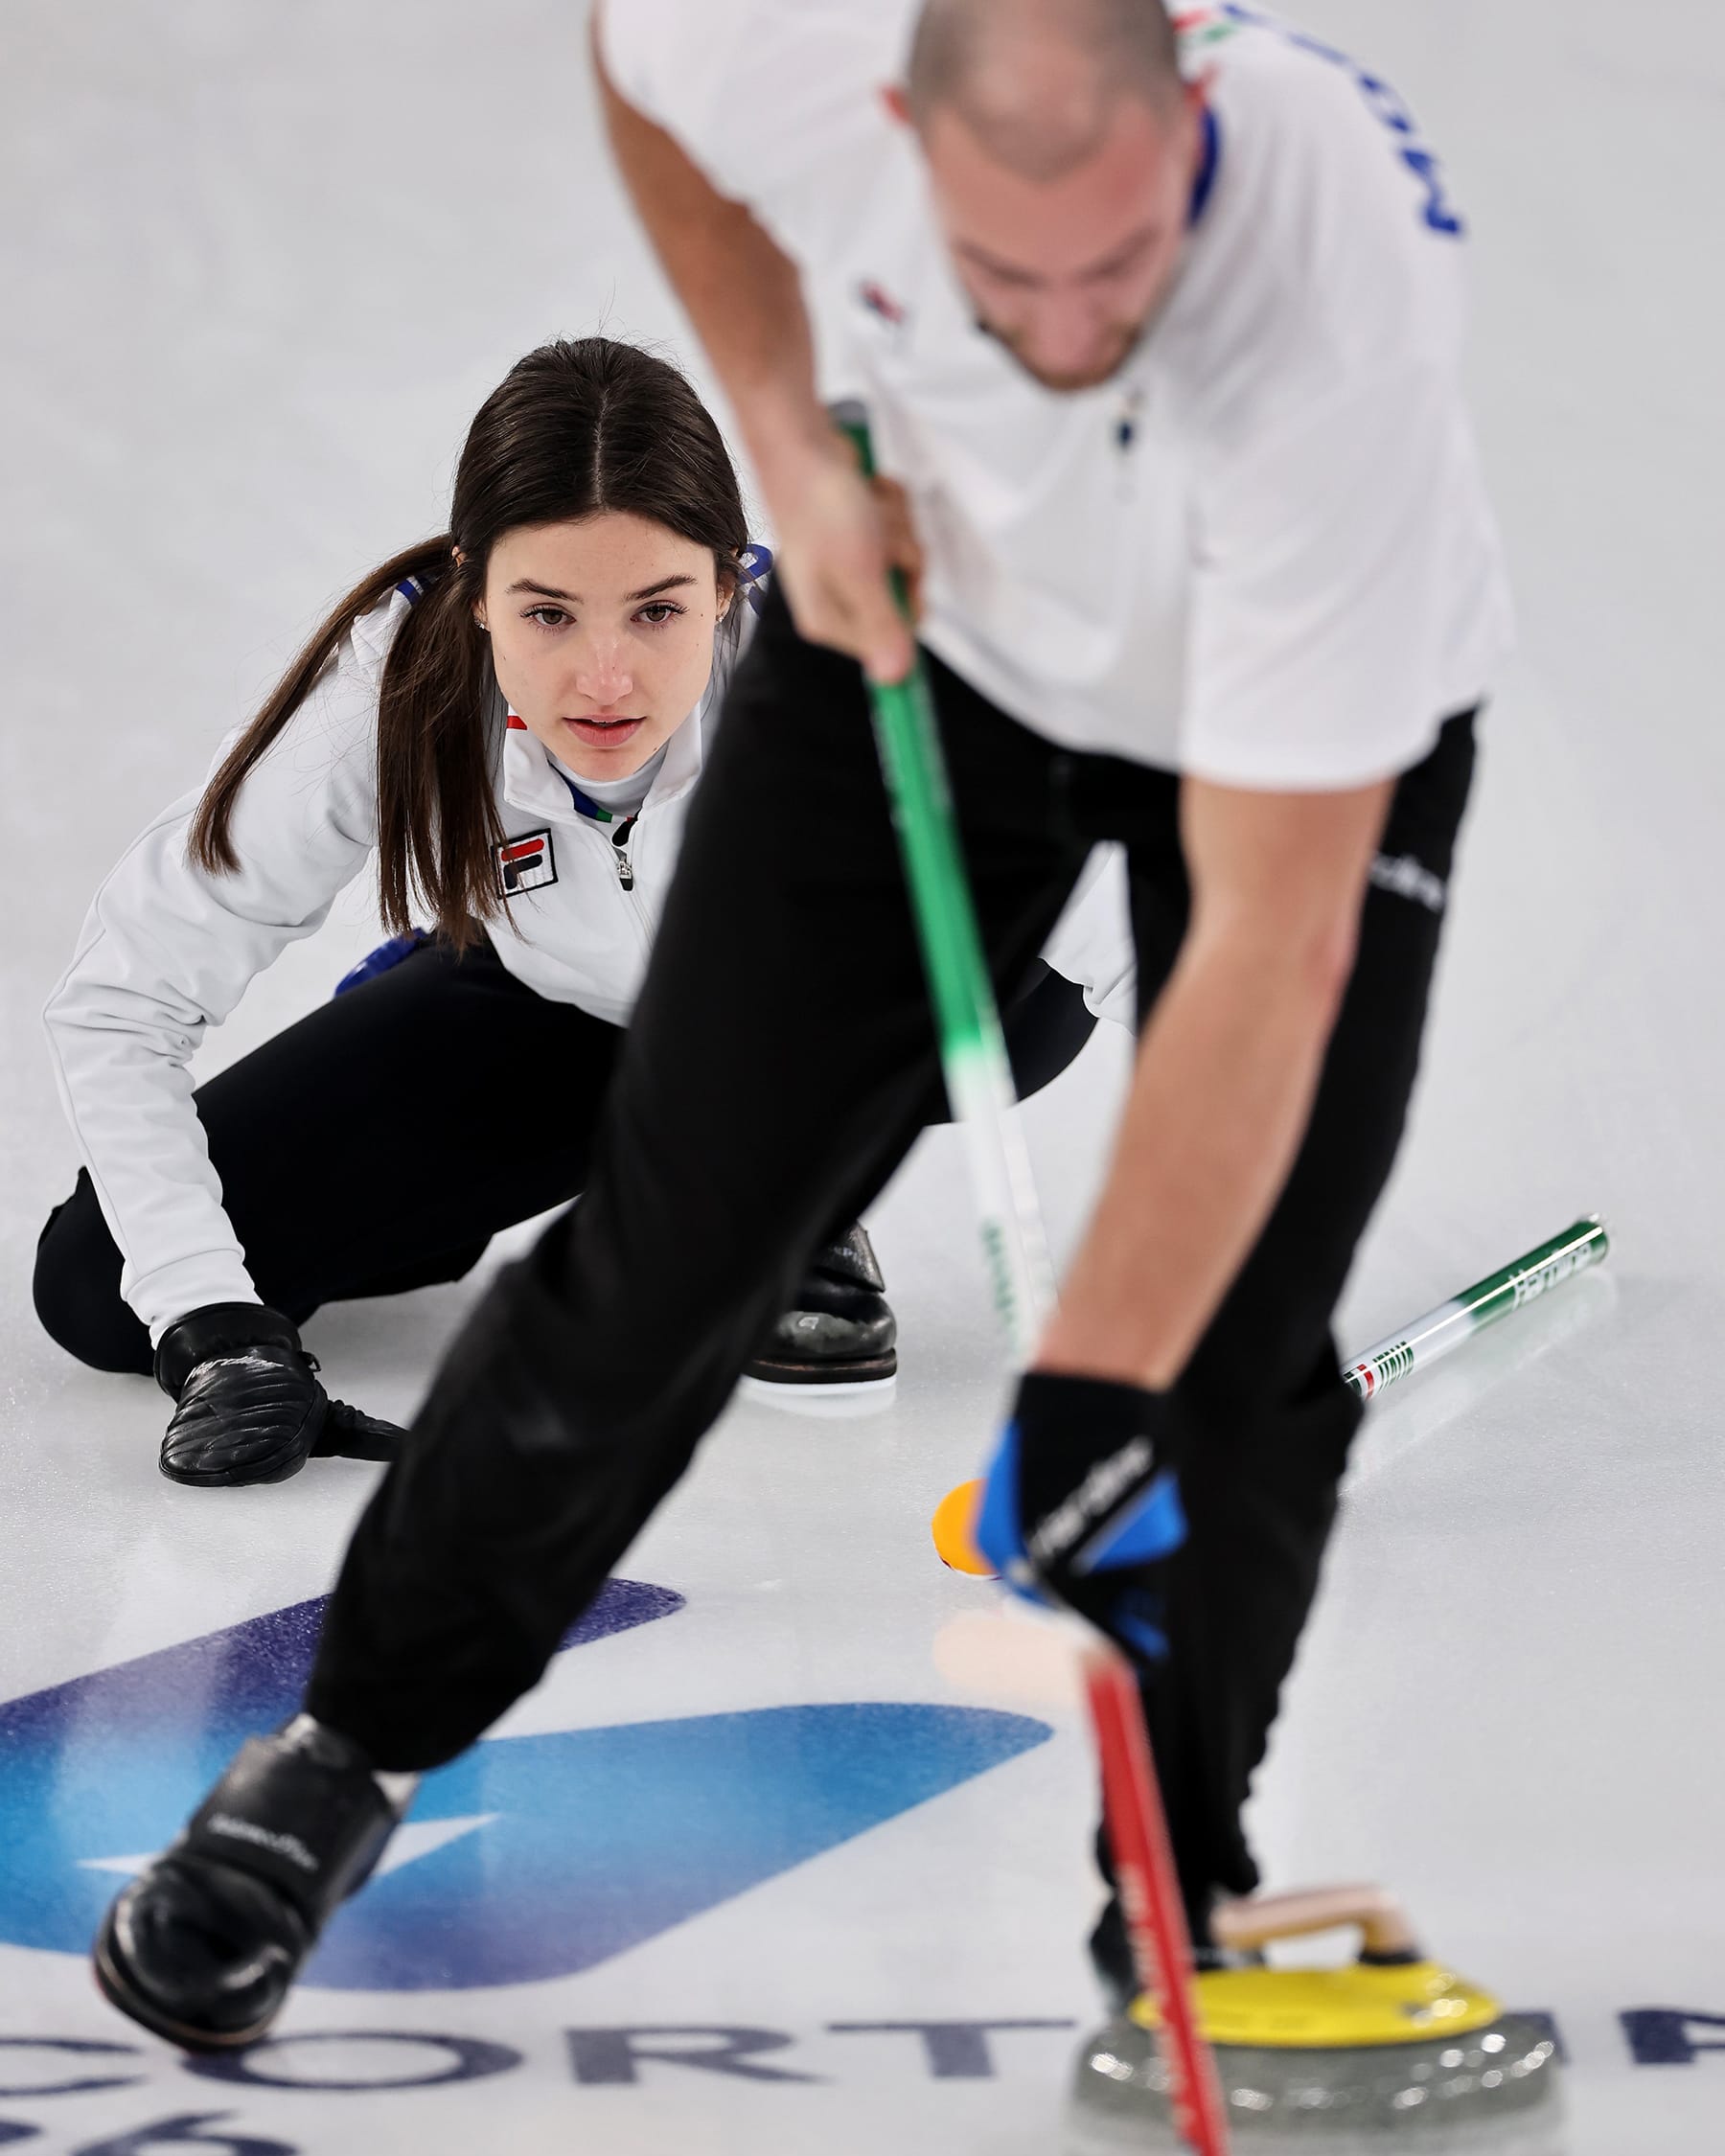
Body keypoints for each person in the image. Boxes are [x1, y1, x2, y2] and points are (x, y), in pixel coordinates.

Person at [92, 0, 1510, 2052]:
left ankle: (1179, 1872)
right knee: (672, 1240)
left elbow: (1270, 954)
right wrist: (782, 412)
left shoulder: (1332, 321)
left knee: (1227, 1329)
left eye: (1117, 272)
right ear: (895, 143)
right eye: (1000, 284)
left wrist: (1095, 1377)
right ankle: (341, 1757)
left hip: (1277, 716)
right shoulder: (787, 53)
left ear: (1197, 117)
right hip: (932, 636)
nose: (1063, 335)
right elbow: (631, 61)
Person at [34, 333, 1110, 1490]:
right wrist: (212, 1322)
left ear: (730, 579)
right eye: (549, 614)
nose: (606, 679)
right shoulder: (395, 689)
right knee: (100, 1288)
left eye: (657, 612)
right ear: (477, 588)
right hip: (572, 1008)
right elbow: (125, 999)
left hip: (871, 1016)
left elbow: (1177, 950)